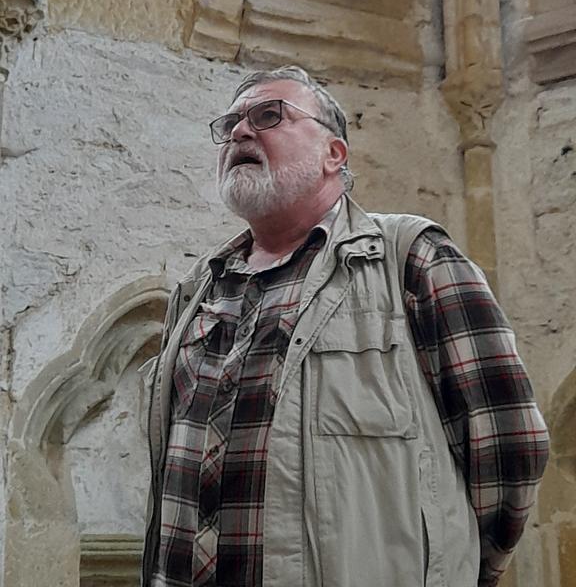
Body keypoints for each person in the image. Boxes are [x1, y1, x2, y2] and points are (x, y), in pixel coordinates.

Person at [142, 65, 549, 587]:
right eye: (230, 124)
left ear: (333, 153)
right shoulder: (198, 287)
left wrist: (463, 567)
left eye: (268, 116)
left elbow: (509, 446)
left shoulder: (412, 258)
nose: (240, 131)